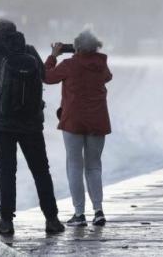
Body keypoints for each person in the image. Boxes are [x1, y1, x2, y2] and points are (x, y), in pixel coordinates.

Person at [0, 19, 64, 235]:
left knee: (7, 172)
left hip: (2, 123)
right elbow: (42, 75)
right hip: (31, 122)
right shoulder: (29, 51)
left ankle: (6, 222)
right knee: (41, 171)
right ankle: (52, 220)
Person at [45, 29, 112, 227]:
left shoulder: (69, 64)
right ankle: (98, 211)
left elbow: (46, 77)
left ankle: (79, 214)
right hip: (98, 121)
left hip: (73, 121)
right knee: (94, 166)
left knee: (74, 166)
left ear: (76, 47)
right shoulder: (101, 64)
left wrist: (53, 56)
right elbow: (107, 78)